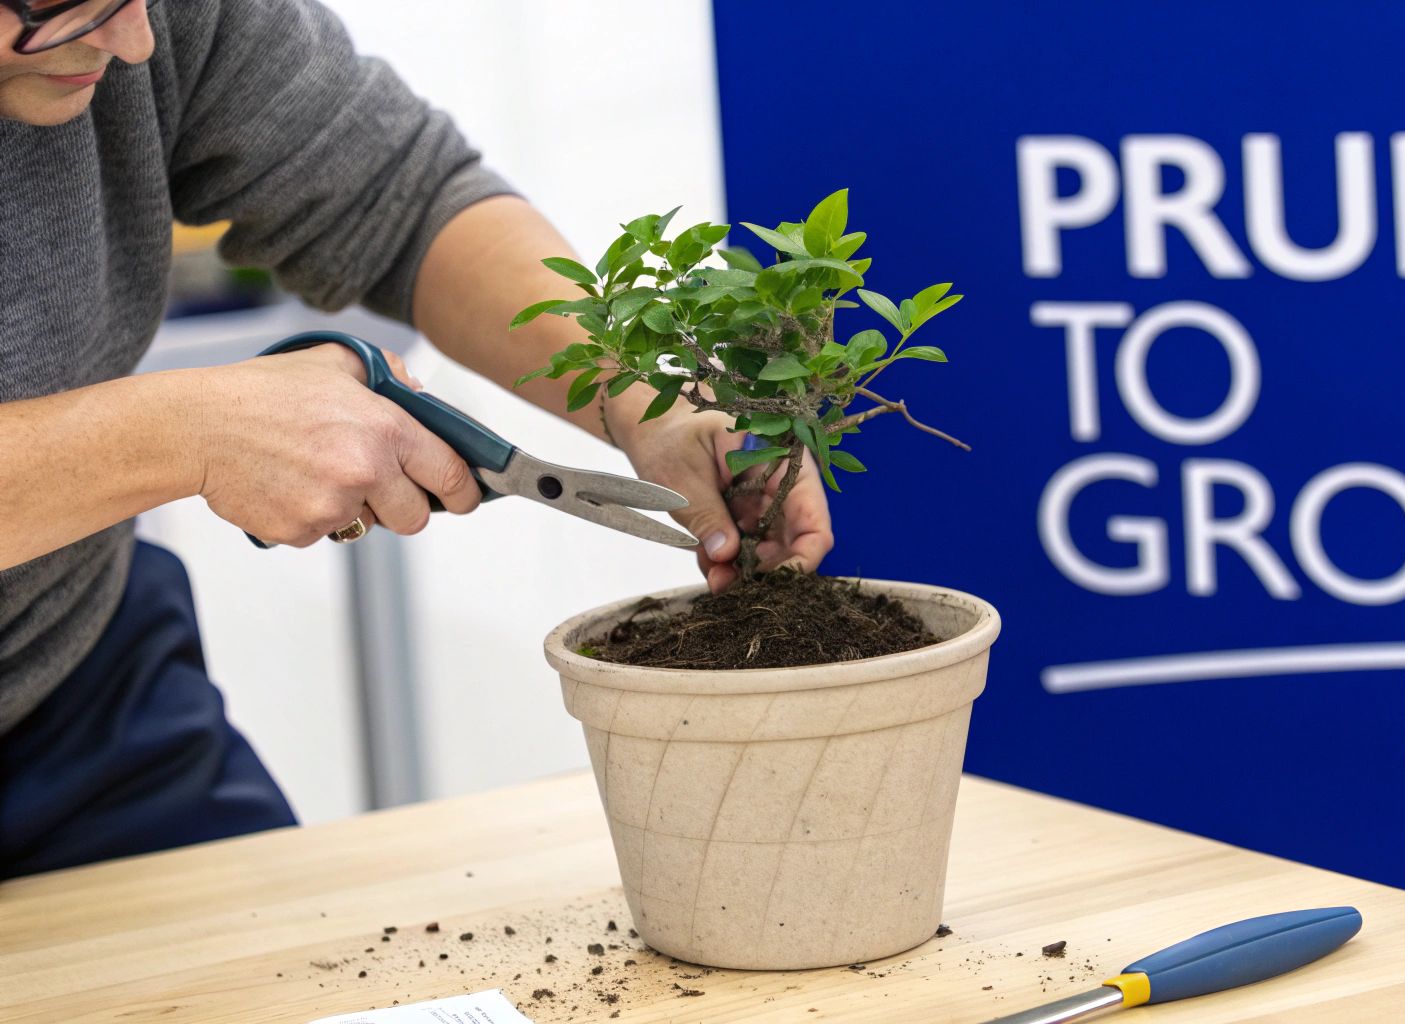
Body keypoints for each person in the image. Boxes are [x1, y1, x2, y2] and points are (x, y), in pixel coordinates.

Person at [0, 0, 832, 877]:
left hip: (78, 682)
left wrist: (644, 389)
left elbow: (401, 200)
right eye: (69, 4)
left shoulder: (151, 18)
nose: (135, 41)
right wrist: (185, 433)